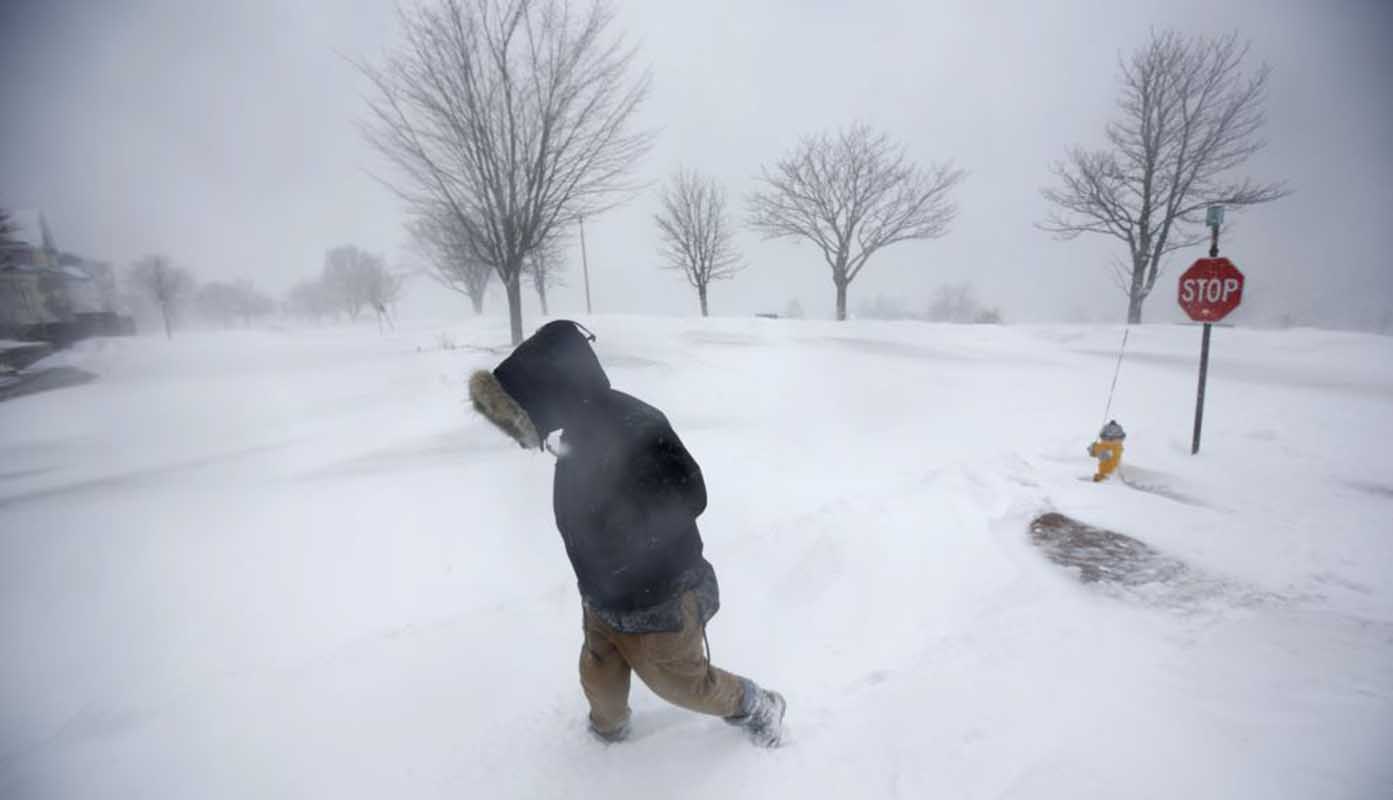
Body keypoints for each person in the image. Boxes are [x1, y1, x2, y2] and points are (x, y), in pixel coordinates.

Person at [468, 320, 786, 747]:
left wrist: (634, 539)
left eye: (524, 410)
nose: (528, 427)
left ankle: (755, 702)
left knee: (682, 684)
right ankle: (608, 730)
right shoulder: (576, 436)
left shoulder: (638, 424)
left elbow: (692, 492)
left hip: (659, 598)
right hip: (602, 598)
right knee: (598, 676)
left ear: (554, 392)